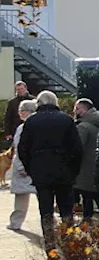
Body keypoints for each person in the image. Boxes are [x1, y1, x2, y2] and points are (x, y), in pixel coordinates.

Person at [18, 90, 82, 232]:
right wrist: (73, 171)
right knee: (66, 210)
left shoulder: (31, 121)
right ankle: (68, 241)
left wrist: (30, 168)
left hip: (40, 171)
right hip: (64, 171)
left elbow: (22, 149)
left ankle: (50, 244)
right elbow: (77, 149)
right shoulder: (66, 120)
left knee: (46, 212)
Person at [72, 98, 99, 219]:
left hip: (85, 166)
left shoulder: (83, 126)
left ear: (84, 109)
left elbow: (77, 147)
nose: (75, 111)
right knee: (98, 195)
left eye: (77, 108)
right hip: (98, 163)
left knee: (86, 195)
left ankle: (87, 220)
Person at [7, 100, 37, 230]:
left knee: (21, 197)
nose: (19, 113)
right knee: (43, 197)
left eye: (21, 110)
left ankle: (16, 223)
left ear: (26, 111)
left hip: (23, 167)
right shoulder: (38, 124)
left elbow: (20, 149)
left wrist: (21, 167)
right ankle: (48, 223)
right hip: (37, 167)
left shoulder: (23, 127)